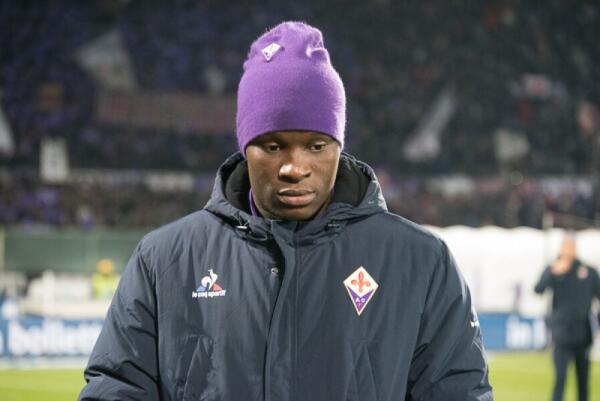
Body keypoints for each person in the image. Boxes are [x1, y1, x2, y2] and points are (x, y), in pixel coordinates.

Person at [79, 21, 492, 401]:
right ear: (245, 147)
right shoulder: (164, 260)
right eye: (274, 145)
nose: (295, 168)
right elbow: (117, 388)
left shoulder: (420, 262)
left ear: (339, 146)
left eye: (316, 146)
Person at [534, 234, 600, 401]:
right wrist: (552, 272)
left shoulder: (588, 271)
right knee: (560, 380)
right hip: (561, 335)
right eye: (566, 246)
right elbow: (538, 289)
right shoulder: (555, 269)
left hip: (583, 335)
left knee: (583, 383)